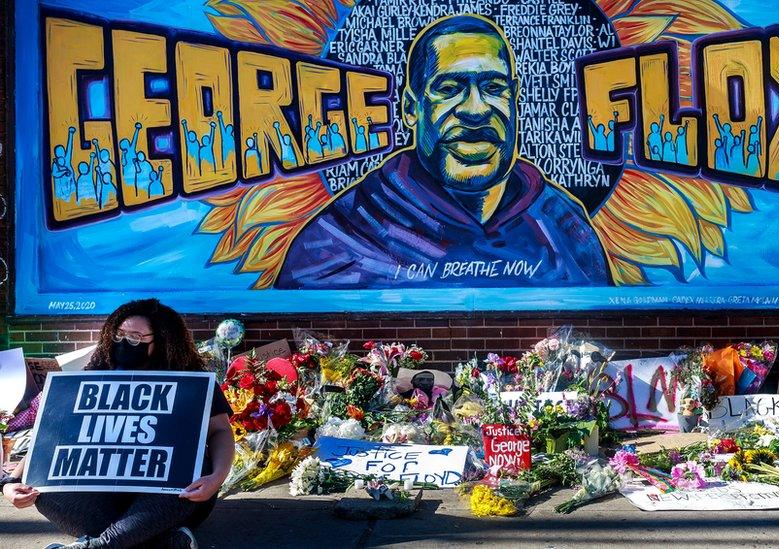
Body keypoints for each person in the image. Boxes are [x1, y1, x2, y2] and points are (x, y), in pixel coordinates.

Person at [275, 15, 609, 289]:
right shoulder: (341, 236)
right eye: (449, 89)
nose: (476, 110)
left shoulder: (562, 224)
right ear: (410, 107)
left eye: (494, 88)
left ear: (515, 98)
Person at [1, 299, 234, 549]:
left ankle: (99, 545)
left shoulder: (191, 380)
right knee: (42, 486)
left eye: (135, 337)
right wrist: (12, 482)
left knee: (196, 466)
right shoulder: (95, 375)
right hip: (102, 499)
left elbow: (220, 430)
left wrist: (216, 478)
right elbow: (51, 433)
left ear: (163, 341)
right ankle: (158, 541)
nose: (124, 342)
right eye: (119, 334)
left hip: (166, 500)